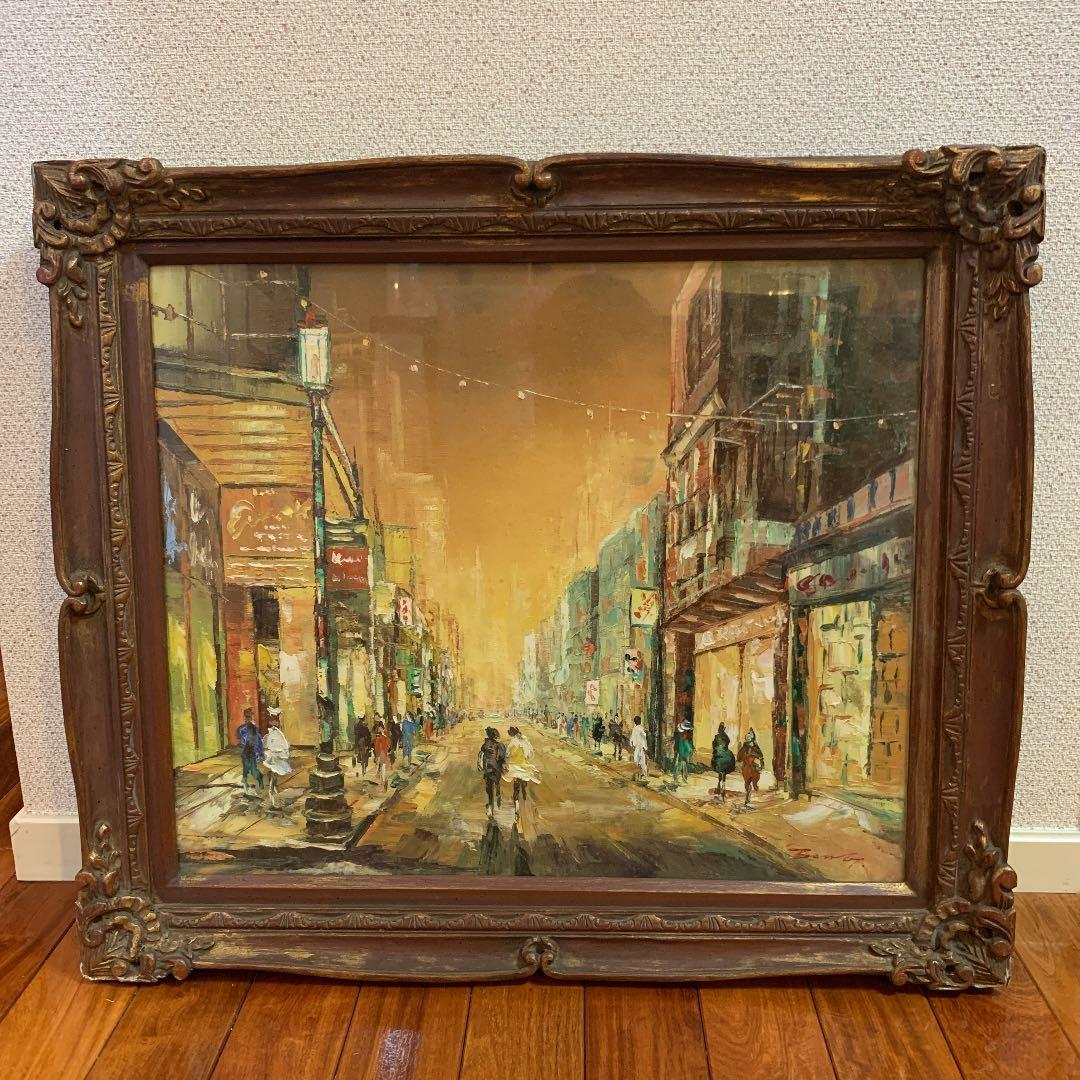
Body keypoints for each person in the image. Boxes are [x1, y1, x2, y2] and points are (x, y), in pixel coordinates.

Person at [505, 726, 540, 818]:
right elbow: (530, 753)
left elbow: (507, 754)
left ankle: (517, 805)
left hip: (514, 766)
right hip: (523, 765)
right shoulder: (524, 740)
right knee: (524, 783)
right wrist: (526, 758)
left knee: (516, 786)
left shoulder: (512, 742)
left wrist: (508, 757)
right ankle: (524, 799)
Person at [262, 714, 292, 809]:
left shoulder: (275, 733)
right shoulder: (273, 733)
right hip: (274, 759)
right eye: (275, 721)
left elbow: (284, 745)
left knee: (274, 779)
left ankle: (275, 798)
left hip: (276, 758)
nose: (277, 723)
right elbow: (280, 745)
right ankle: (273, 800)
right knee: (273, 779)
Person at [477, 726, 507, 816]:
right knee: (496, 780)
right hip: (496, 768)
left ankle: (490, 807)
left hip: (488, 769)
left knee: (489, 788)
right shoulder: (500, 745)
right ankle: (497, 790)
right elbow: (502, 757)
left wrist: (480, 766)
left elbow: (481, 755)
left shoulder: (485, 745)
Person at [236, 708, 264, 795]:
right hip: (246, 752)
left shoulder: (254, 729)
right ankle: (246, 786)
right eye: (247, 717)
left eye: (249, 717)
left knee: (253, 771)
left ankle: (260, 779)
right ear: (245, 717)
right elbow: (240, 738)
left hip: (252, 753)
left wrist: (260, 753)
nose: (248, 719)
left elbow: (259, 742)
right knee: (245, 770)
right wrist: (243, 742)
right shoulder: (242, 728)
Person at [736, 727, 766, 808]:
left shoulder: (753, 747)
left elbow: (760, 757)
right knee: (748, 783)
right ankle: (747, 797)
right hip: (748, 767)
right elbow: (739, 758)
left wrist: (759, 763)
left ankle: (749, 795)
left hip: (751, 767)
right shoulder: (746, 747)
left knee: (749, 782)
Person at [711, 722, 737, 802]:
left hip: (719, 755)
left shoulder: (716, 736)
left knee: (715, 762)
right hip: (726, 755)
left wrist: (716, 749)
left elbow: (713, 745)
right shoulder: (726, 736)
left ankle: (719, 784)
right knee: (730, 758)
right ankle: (723, 785)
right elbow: (728, 742)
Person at [672, 719, 694, 786]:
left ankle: (683, 779)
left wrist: (689, 750)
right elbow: (678, 745)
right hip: (680, 752)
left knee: (683, 766)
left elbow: (687, 746)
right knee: (678, 766)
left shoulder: (685, 737)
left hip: (684, 752)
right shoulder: (680, 736)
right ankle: (676, 780)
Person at [373, 721, 392, 792]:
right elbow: (387, 745)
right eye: (379, 728)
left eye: (380, 728)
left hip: (382, 753)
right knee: (382, 768)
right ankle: (383, 783)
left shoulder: (380, 737)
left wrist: (377, 755)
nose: (379, 729)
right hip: (383, 753)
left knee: (382, 768)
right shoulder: (383, 736)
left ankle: (383, 784)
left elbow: (378, 747)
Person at [629, 715, 649, 782]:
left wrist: (632, 745)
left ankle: (636, 776)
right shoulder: (641, 729)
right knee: (642, 762)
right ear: (640, 721)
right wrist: (645, 747)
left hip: (637, 747)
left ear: (635, 722)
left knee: (636, 761)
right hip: (641, 747)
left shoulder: (634, 729)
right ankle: (644, 776)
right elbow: (644, 739)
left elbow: (631, 739)